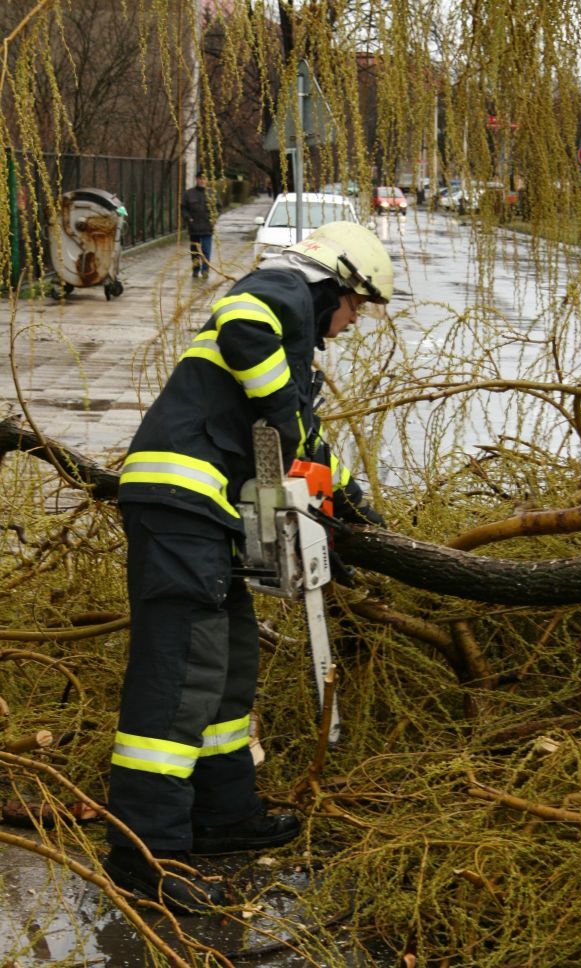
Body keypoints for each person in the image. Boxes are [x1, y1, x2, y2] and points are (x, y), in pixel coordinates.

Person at [104, 221, 394, 914]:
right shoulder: (282, 290)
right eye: (355, 307)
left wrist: (350, 506)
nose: (350, 324)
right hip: (181, 506)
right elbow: (240, 323)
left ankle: (225, 813)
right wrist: (282, 413)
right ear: (336, 283)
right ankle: (146, 854)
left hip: (210, 521)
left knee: (229, 668)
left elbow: (304, 445)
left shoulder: (295, 360)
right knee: (178, 679)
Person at [181, 169, 217, 279]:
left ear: (207, 180)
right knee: (195, 251)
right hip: (194, 228)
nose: (202, 181)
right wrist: (188, 219)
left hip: (207, 227)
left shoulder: (212, 193)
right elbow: (183, 208)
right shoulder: (189, 194)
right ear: (196, 180)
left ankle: (205, 270)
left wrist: (214, 217)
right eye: (200, 179)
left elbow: (218, 207)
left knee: (206, 250)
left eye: (204, 179)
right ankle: (195, 270)